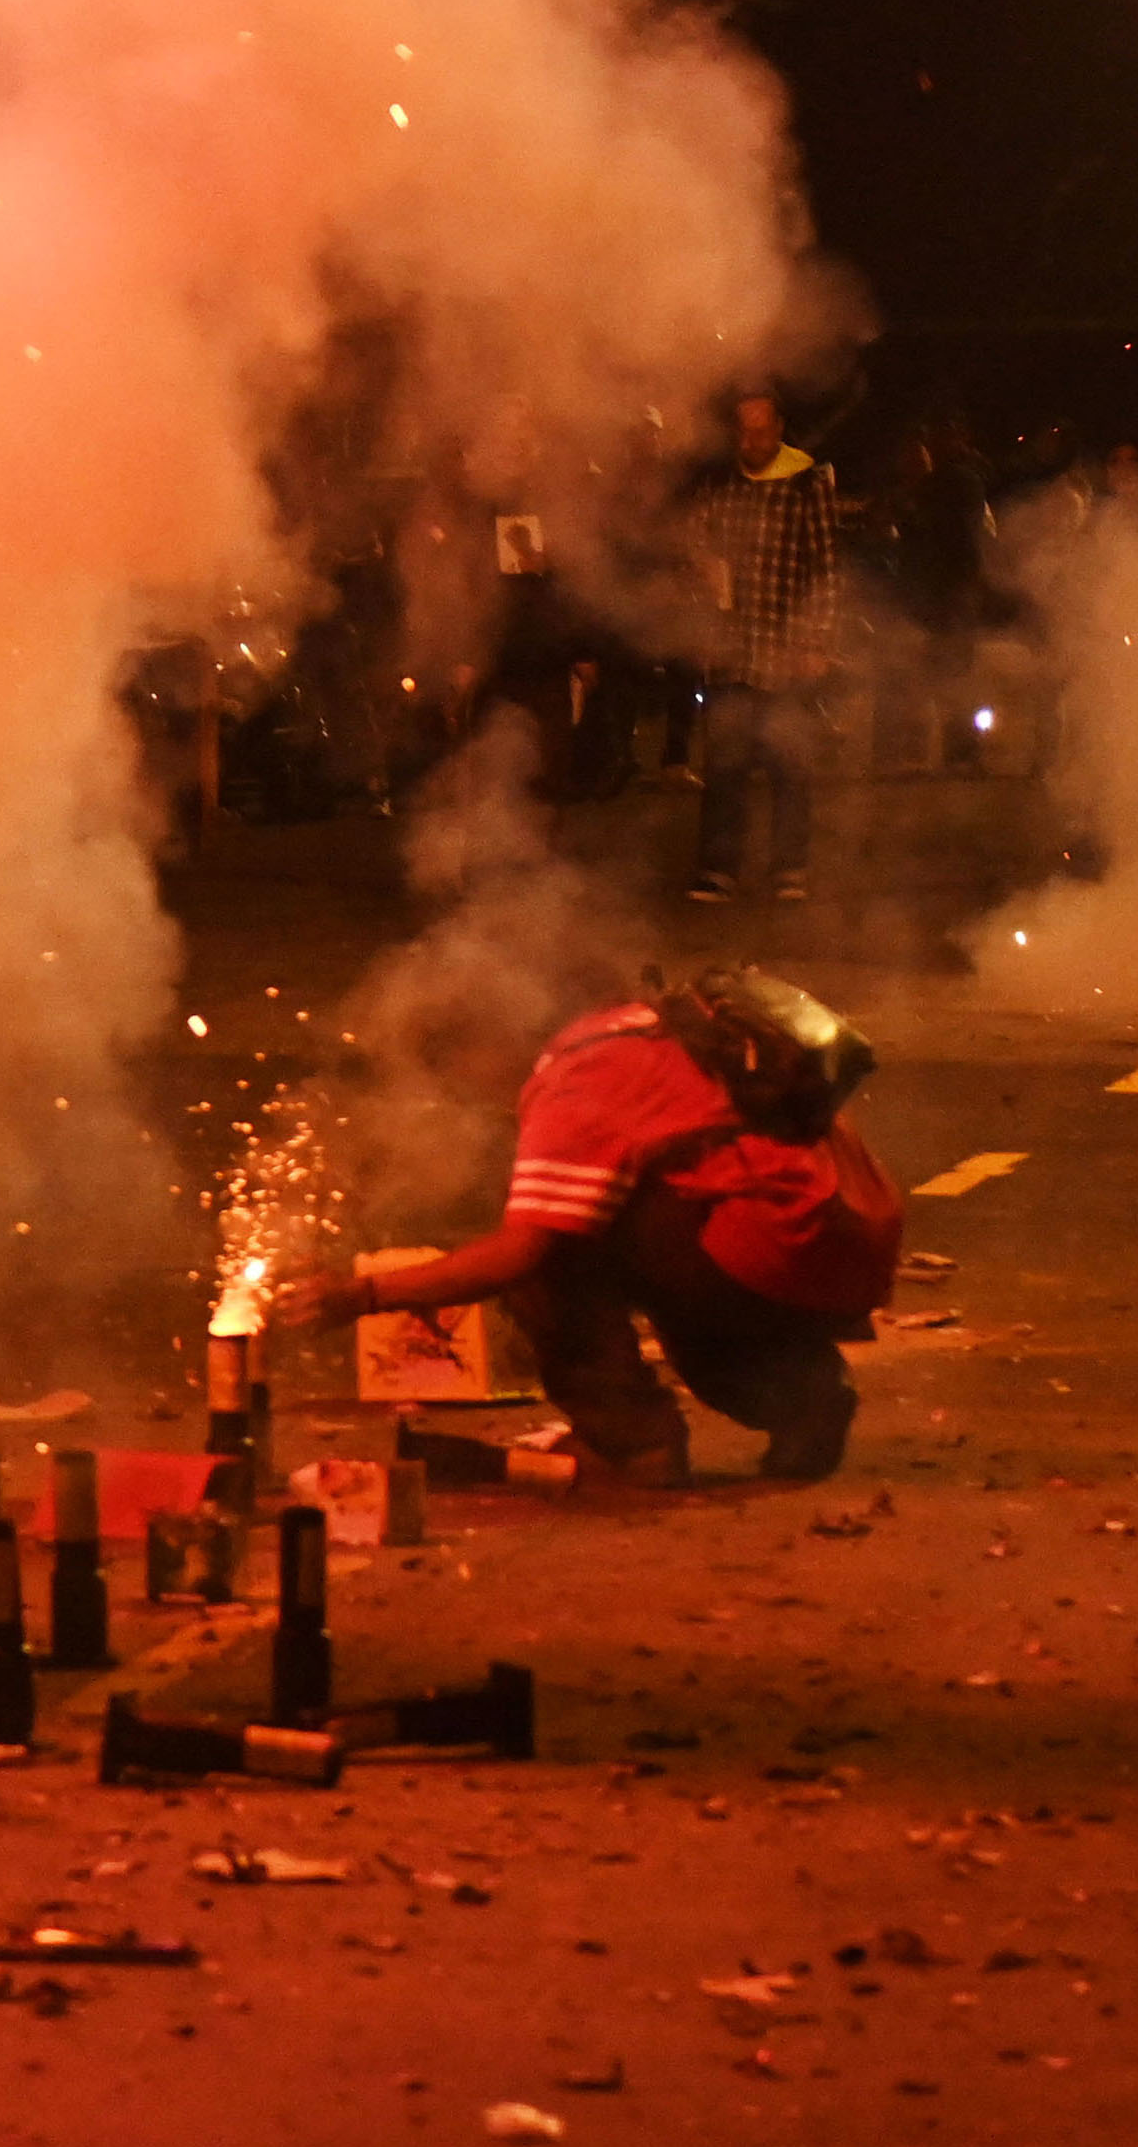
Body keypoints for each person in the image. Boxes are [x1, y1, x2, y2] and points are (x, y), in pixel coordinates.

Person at [277, 968, 902, 1486]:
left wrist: (361, 1296)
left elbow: (522, 1253)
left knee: (554, 1252)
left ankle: (633, 1443)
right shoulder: (630, 1027)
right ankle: (805, 1399)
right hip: (843, 1236)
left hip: (781, 1249)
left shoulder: (575, 1082)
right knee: (646, 1252)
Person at [687, 384, 841, 904]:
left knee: (789, 762)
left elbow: (824, 568)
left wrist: (816, 640)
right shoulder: (721, 485)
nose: (752, 439)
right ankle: (719, 869)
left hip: (788, 647)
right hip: (732, 648)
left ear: (778, 429)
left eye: (761, 429)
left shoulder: (807, 482)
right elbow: (698, 545)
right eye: (744, 430)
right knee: (725, 762)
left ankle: (789, 867)